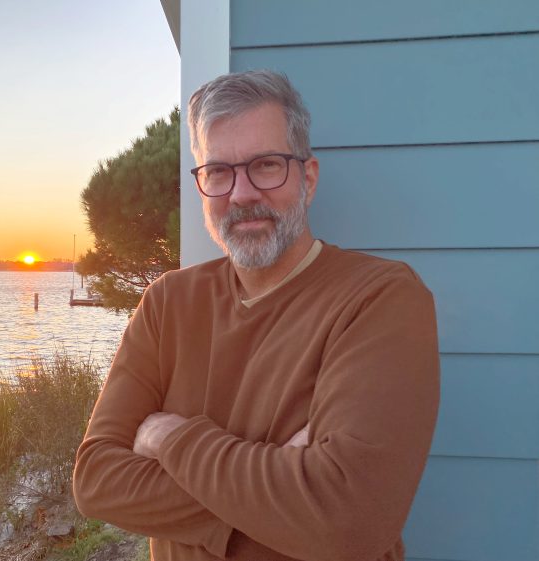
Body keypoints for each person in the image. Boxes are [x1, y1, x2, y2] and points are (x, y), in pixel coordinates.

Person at [73, 70, 440, 561]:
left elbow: (348, 522)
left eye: (266, 165)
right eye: (218, 172)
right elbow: (97, 480)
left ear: (308, 179)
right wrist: (282, 494)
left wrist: (172, 439)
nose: (241, 194)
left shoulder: (379, 298)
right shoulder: (168, 301)